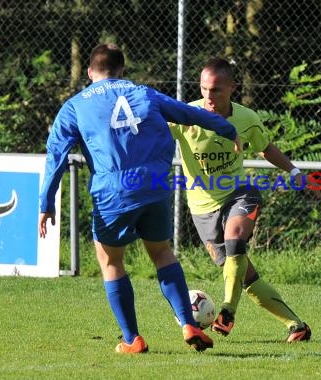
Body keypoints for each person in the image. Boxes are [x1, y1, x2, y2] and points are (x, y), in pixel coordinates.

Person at [38, 44, 242, 354]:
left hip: (112, 191)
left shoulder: (75, 106)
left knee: (111, 261)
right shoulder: (144, 93)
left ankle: (133, 339)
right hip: (154, 184)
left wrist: (46, 203)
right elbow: (190, 113)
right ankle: (188, 324)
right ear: (121, 71)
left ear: (91, 72)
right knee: (162, 253)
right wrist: (226, 129)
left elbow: (56, 156)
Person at [170, 58, 312, 342]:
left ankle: (227, 312)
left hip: (240, 193)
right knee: (245, 276)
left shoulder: (247, 118)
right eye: (204, 89)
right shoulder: (186, 116)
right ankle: (297, 326)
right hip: (202, 209)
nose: (209, 96)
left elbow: (265, 148)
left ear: (232, 87)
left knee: (236, 239)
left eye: (217, 90)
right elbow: (153, 131)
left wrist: (294, 171)